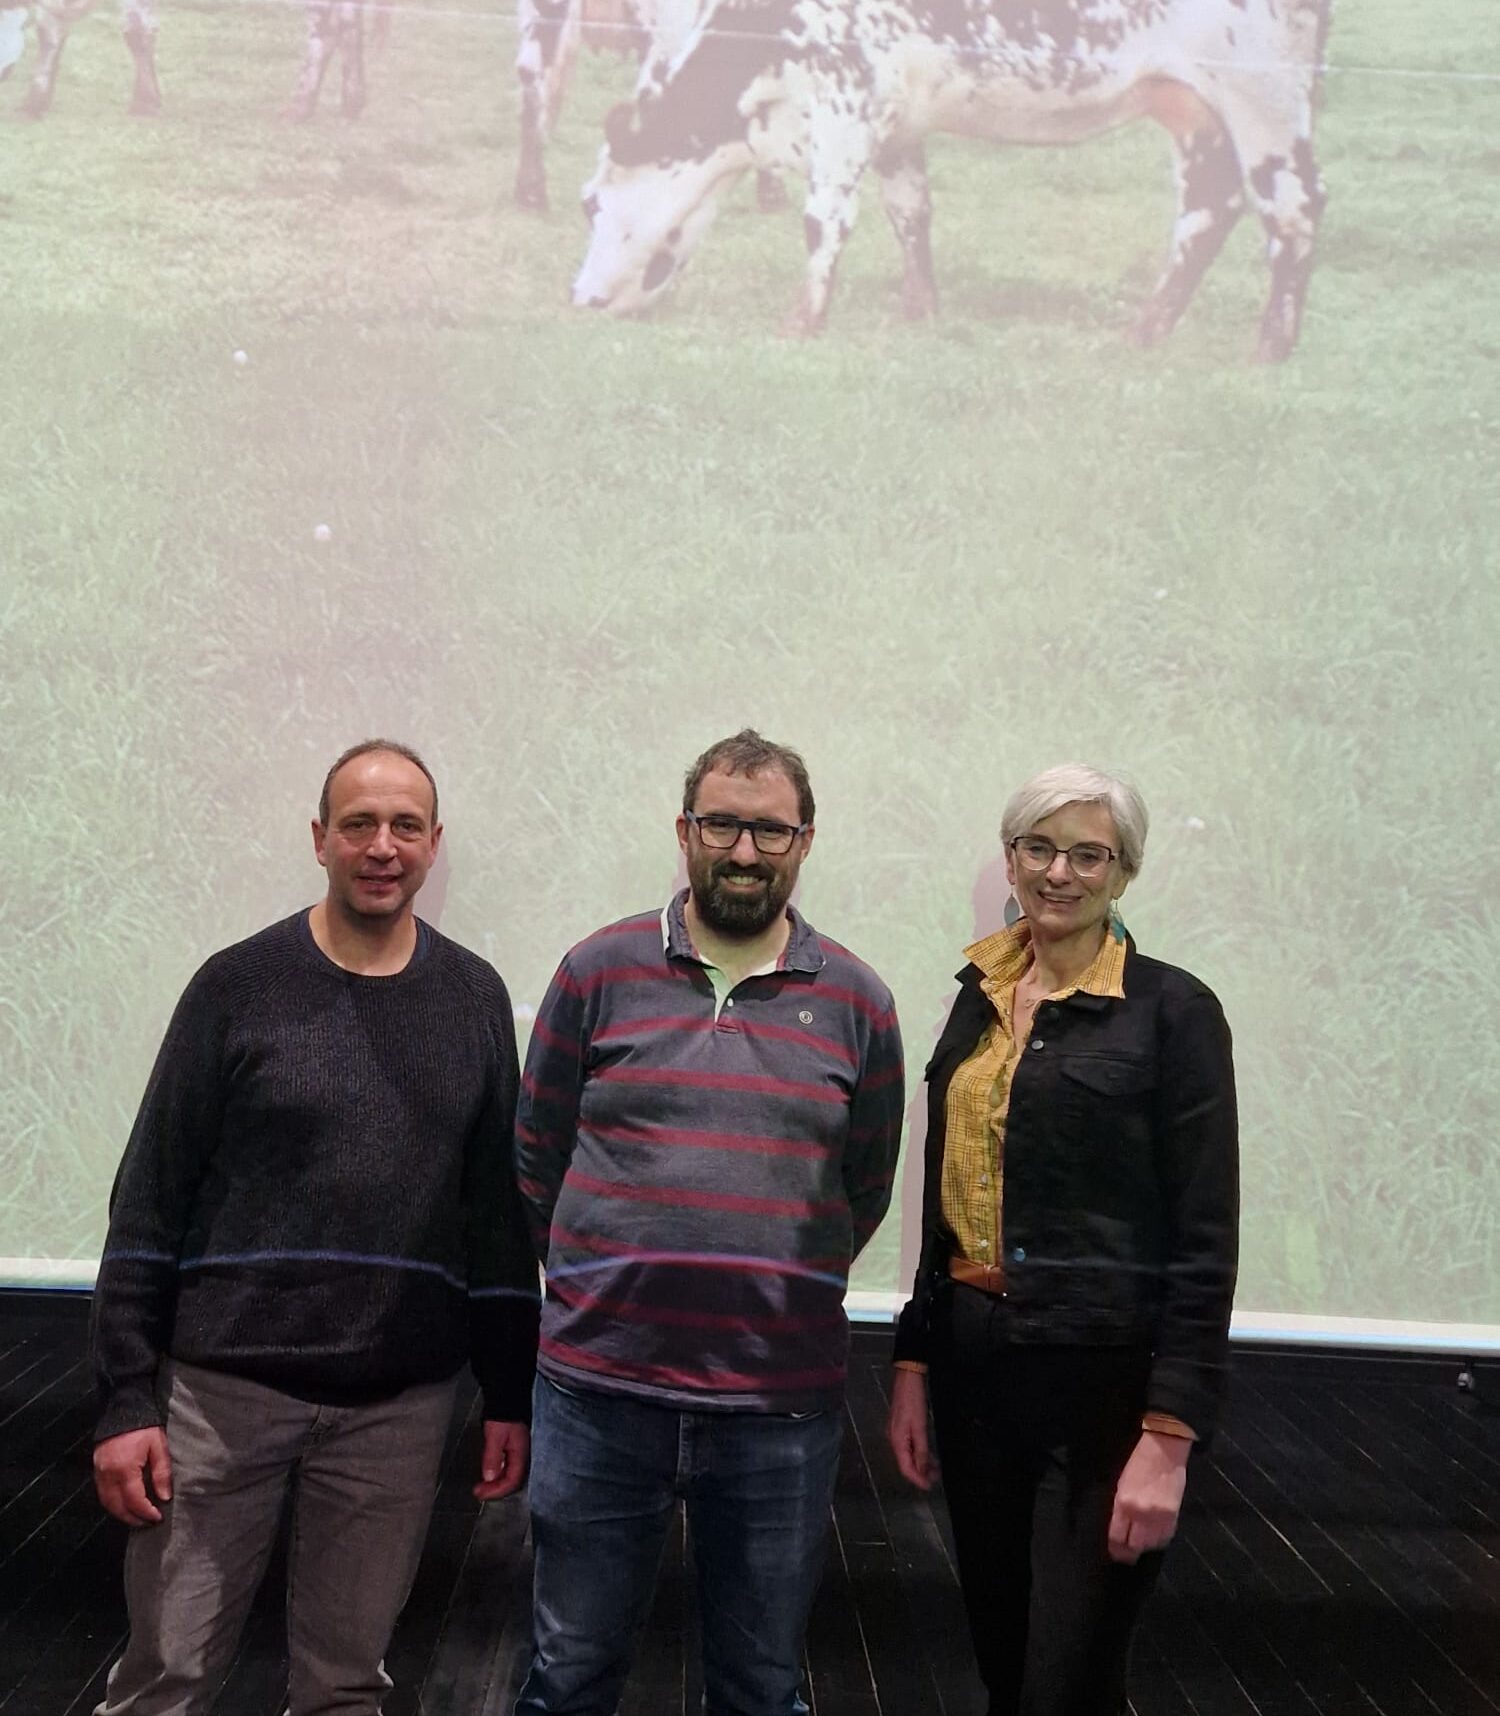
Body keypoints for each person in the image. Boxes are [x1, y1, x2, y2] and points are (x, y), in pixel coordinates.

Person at [89, 739, 541, 1716]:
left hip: (398, 1412)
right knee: (165, 1680)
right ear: (320, 840)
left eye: (405, 826)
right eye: (359, 824)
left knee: (344, 1690)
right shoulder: (234, 986)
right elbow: (149, 1197)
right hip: (217, 1401)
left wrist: (510, 1390)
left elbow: (494, 1220)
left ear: (434, 845)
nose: (382, 846)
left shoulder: (472, 1001)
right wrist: (127, 1396)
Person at [514, 728, 905, 1716]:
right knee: (568, 1679)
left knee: (762, 1689)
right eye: (722, 824)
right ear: (684, 831)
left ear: (805, 843)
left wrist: (763, 1281)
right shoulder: (596, 972)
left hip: (778, 1412)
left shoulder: (860, 1003)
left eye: (768, 831)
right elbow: (535, 1160)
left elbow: (862, 1188)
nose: (743, 851)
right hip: (601, 1396)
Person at [887, 763, 1238, 1716]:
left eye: (1090, 854)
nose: (1060, 873)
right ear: (1010, 858)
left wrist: (1170, 1435)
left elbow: (1207, 1238)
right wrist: (915, 1361)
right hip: (970, 1372)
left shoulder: (1175, 1013)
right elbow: (949, 1196)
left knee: (1066, 1685)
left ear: (1124, 874)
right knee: (1005, 1667)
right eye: (1039, 848)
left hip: (1100, 1393)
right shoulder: (979, 994)